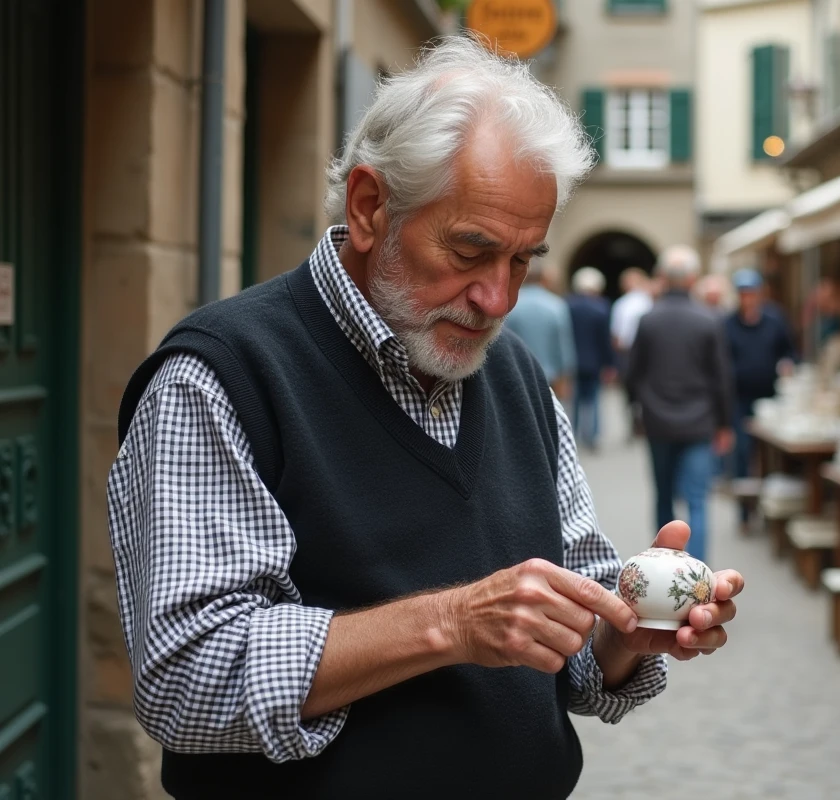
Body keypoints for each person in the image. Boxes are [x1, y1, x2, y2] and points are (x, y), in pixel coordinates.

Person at [106, 38, 744, 800]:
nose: (497, 299)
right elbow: (186, 679)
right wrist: (453, 623)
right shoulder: (220, 376)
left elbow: (570, 645)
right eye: (471, 251)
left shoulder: (513, 373)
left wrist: (619, 636)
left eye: (521, 261)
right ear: (370, 206)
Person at [626, 245, 734, 563]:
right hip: (700, 421)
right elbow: (722, 378)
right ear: (692, 279)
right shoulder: (709, 320)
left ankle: (664, 572)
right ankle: (697, 574)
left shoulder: (649, 320)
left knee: (663, 497)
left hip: (658, 420)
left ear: (663, 278)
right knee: (698, 500)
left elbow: (632, 374)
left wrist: (637, 410)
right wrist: (725, 424)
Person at [724, 269, 798, 513]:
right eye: (743, 294)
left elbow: (789, 350)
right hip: (740, 397)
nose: (748, 298)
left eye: (752, 293)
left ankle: (770, 507)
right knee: (743, 453)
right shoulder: (728, 324)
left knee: (770, 454)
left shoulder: (774, 319)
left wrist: (788, 363)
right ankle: (745, 511)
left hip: (769, 397)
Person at [506, 257, 576, 402]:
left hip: (514, 373)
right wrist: (565, 376)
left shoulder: (511, 305)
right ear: (543, 278)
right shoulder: (556, 305)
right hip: (548, 375)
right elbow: (563, 344)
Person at [565, 266, 615, 451]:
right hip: (594, 362)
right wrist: (610, 363)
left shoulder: (568, 305)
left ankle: (574, 435)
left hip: (573, 360)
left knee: (575, 400)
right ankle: (592, 436)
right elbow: (605, 339)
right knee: (593, 400)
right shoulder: (601, 307)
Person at [610, 266, 653, 438]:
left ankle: (634, 419)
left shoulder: (621, 304)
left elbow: (616, 336)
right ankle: (644, 419)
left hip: (627, 352)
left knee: (629, 389)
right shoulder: (648, 301)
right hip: (648, 352)